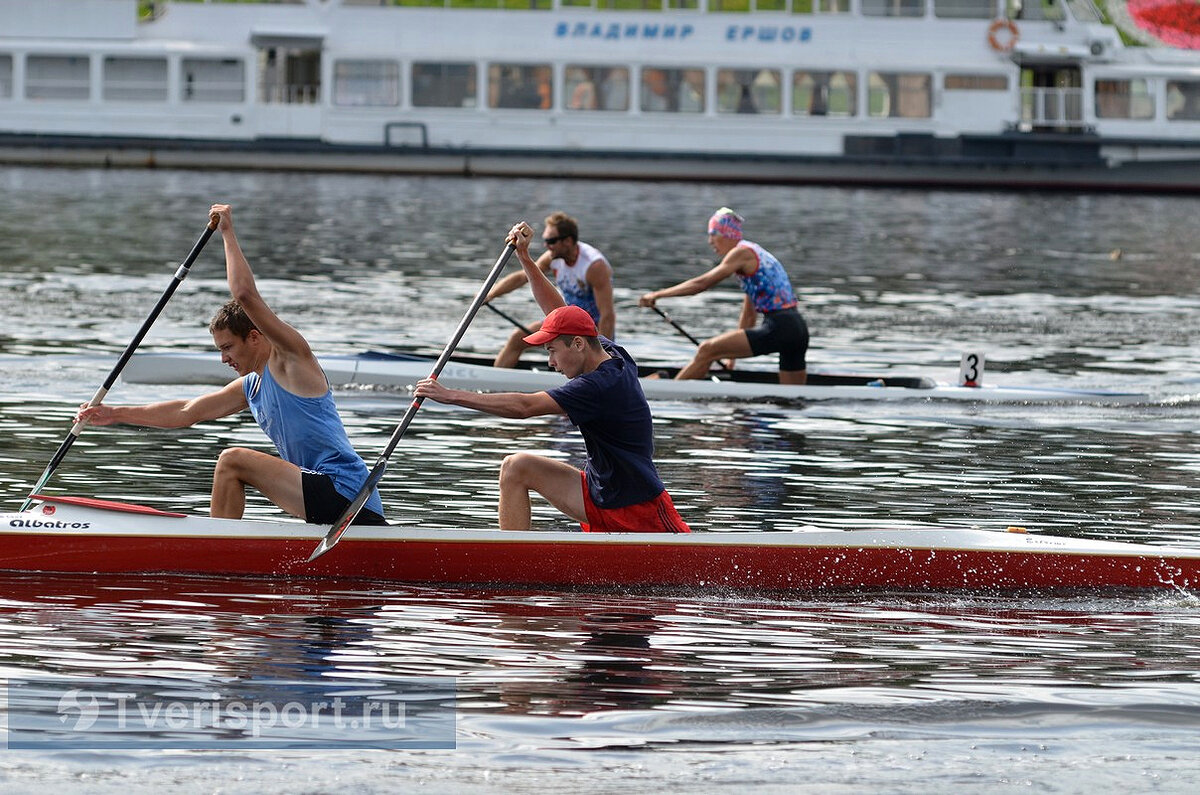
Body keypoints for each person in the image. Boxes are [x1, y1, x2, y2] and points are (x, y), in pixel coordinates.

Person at [75, 204, 386, 525]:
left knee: (232, 460)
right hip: (324, 496)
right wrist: (115, 414)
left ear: (254, 337)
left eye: (227, 348)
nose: (224, 359)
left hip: (347, 492)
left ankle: (217, 543)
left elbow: (245, 295)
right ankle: (223, 540)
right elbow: (186, 411)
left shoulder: (292, 359)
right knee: (230, 465)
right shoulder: (251, 386)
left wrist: (227, 231)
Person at [415, 222, 689, 535]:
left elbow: (523, 407)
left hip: (637, 506)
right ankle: (512, 563)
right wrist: (525, 258)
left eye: (552, 352)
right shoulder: (609, 350)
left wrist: (450, 395)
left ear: (578, 344)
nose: (551, 362)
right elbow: (558, 310)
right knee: (515, 468)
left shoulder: (597, 386)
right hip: (599, 493)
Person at [639, 207, 809, 384]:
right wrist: (732, 358)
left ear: (728, 234)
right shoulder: (754, 254)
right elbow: (749, 314)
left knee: (707, 350)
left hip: (780, 327)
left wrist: (657, 295)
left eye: (713, 234)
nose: (710, 241)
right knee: (792, 400)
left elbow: (701, 284)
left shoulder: (740, 253)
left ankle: (670, 394)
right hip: (797, 329)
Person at [485, 210, 615, 368]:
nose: (546, 245)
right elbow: (522, 277)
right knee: (517, 339)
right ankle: (493, 387)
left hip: (591, 332)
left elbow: (607, 315)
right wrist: (489, 295)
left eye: (551, 241)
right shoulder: (553, 257)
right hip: (566, 323)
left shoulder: (594, 266)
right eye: (545, 240)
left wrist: (603, 357)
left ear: (567, 241)